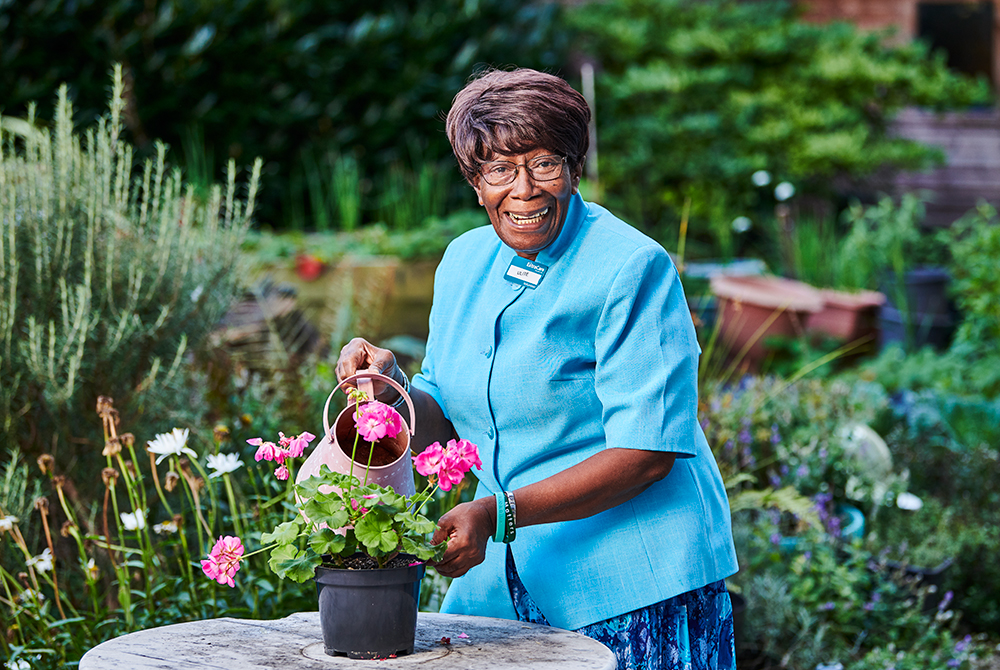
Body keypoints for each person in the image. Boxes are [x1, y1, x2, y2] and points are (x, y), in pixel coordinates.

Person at [336, 67, 738, 670]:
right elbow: (442, 411)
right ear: (476, 183)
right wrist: (386, 395)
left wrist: (495, 513)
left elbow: (649, 451)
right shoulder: (463, 261)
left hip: (632, 578)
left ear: (574, 170)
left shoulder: (631, 267)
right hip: (502, 583)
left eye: (544, 164)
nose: (523, 190)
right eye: (499, 170)